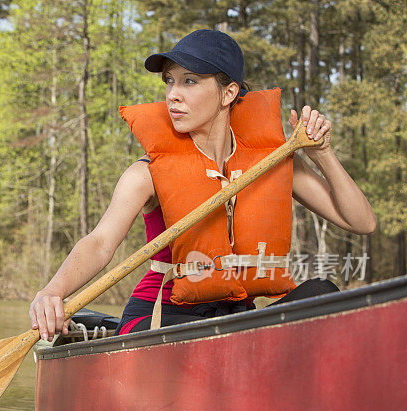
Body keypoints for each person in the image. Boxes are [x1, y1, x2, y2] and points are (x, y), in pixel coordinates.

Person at [29, 29, 376, 341]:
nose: (173, 95)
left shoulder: (273, 161)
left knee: (322, 291)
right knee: (196, 336)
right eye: (169, 81)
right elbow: (101, 242)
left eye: (190, 81)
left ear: (228, 93)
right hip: (162, 317)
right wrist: (52, 292)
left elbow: (361, 223)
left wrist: (323, 153)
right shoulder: (146, 172)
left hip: (234, 318)